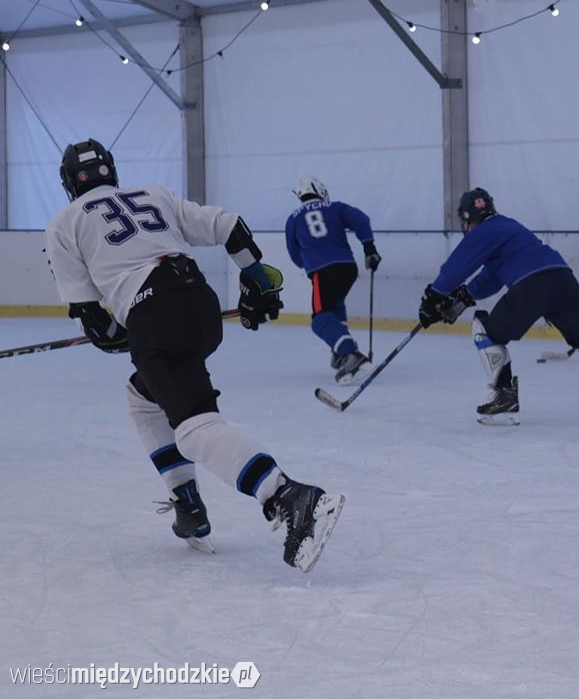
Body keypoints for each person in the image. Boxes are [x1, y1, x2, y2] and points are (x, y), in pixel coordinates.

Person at [44, 138, 344, 572]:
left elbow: (96, 324)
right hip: (200, 304)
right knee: (143, 397)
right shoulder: (153, 196)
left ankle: (289, 496)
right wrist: (257, 280)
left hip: (154, 314)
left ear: (69, 183)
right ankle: (189, 506)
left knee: (193, 428)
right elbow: (230, 227)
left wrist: (130, 335)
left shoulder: (64, 223)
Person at [417, 187, 579, 426]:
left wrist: (432, 297)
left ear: (468, 220)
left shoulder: (484, 230)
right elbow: (491, 277)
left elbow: (457, 266)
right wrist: (464, 296)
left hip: (531, 286)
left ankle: (504, 397)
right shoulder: (510, 229)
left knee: (484, 328)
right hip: (563, 280)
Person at [285, 176, 381, 384]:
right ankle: (339, 352)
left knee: (319, 318)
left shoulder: (293, 219)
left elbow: (294, 254)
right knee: (335, 305)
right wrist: (369, 248)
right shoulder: (335, 207)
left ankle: (350, 354)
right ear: (320, 190)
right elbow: (362, 219)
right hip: (348, 267)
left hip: (322, 271)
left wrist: (308, 264)